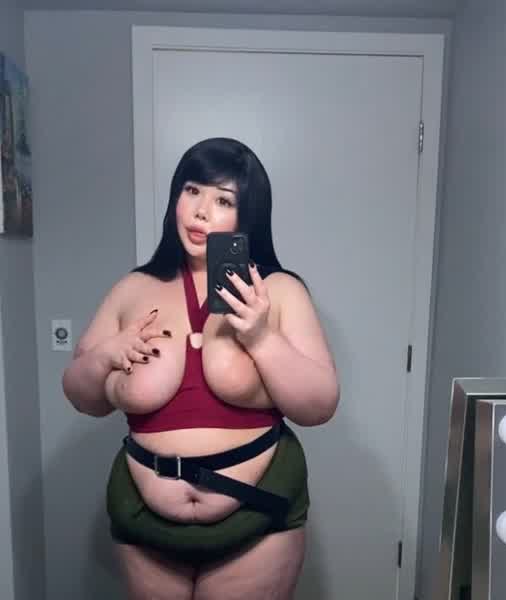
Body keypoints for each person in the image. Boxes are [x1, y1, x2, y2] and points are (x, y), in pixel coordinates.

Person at [62, 137, 339, 599]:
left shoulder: (278, 290)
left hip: (256, 518)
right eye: (191, 191)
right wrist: (107, 355)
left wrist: (261, 338)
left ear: (247, 215)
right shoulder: (132, 289)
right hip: (144, 523)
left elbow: (319, 405)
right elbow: (79, 395)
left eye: (223, 200)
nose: (201, 212)